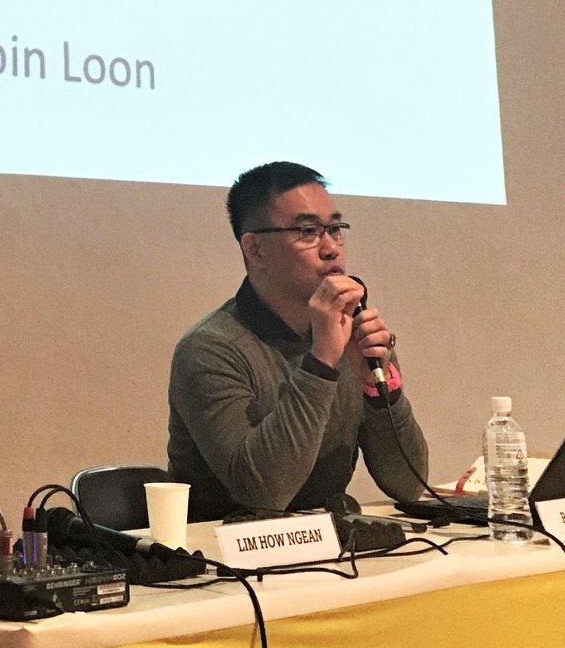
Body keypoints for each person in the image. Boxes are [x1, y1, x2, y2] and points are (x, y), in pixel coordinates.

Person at [167, 160, 429, 518]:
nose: (331, 247)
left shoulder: (353, 334)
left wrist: (378, 387)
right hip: (228, 555)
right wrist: (321, 362)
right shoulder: (210, 349)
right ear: (255, 249)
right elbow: (263, 492)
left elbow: (408, 485)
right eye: (308, 231)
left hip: (333, 548)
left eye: (335, 228)